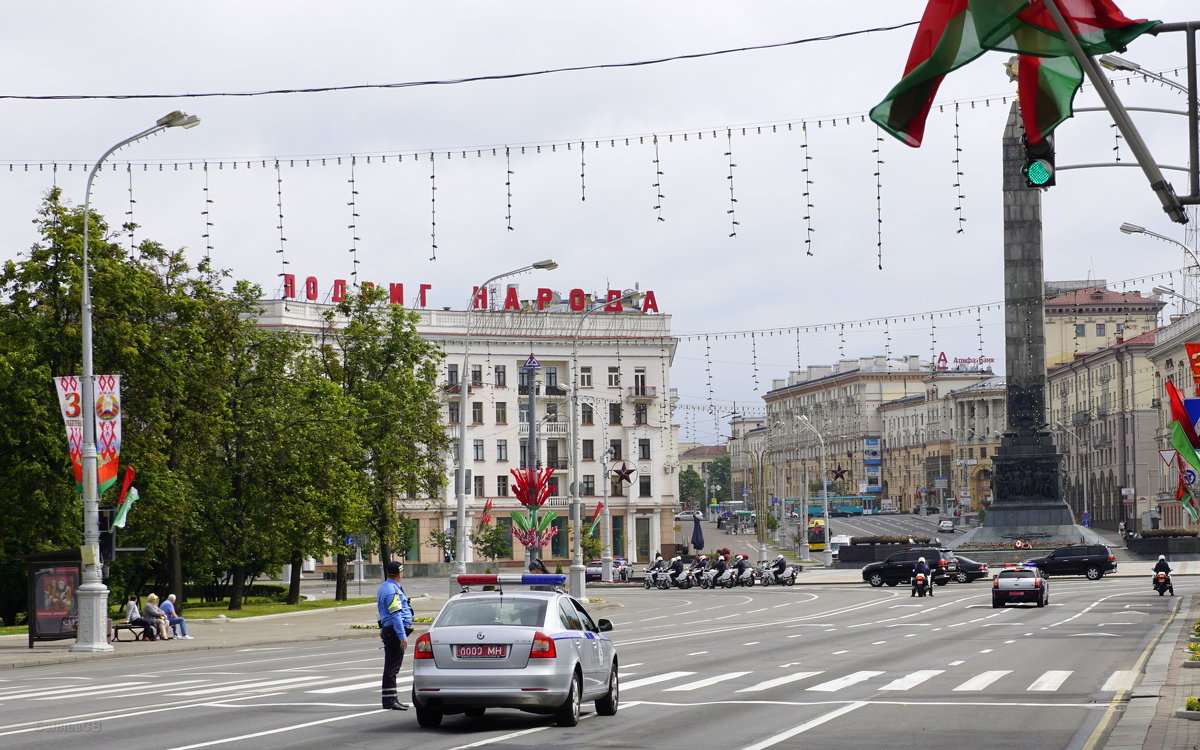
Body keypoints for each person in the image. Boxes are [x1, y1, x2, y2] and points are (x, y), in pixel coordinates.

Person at [377, 560, 413, 711]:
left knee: (391, 666)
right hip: (394, 631)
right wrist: (402, 636)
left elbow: (381, 611)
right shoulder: (392, 590)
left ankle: (389, 699)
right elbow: (395, 614)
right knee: (392, 667)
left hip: (389, 629)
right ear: (400, 573)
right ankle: (391, 700)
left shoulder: (384, 587)